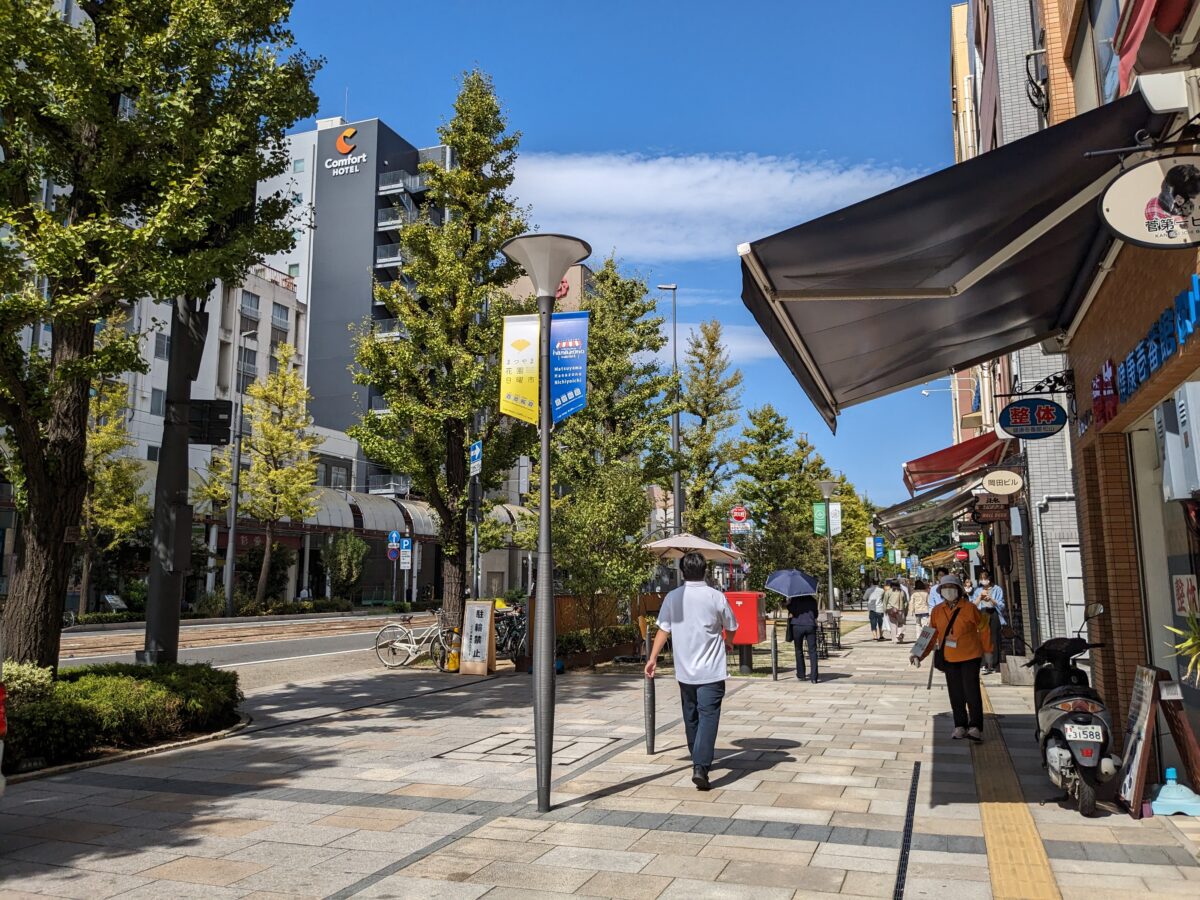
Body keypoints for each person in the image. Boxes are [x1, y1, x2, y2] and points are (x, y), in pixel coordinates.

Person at [645, 551, 738, 791]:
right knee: (708, 716)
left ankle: (697, 757)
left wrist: (652, 658)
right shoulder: (716, 596)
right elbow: (732, 625)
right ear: (705, 570)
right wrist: (729, 641)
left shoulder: (673, 598)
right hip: (712, 671)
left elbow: (663, 630)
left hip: (684, 670)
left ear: (682, 571)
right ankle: (700, 765)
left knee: (691, 715)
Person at [912, 574, 992, 741]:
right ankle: (960, 725)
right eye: (945, 588)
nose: (948, 591)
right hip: (949, 657)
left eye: (952, 588)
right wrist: (918, 653)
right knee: (955, 693)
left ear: (959, 590)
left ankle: (975, 726)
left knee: (972, 692)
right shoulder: (936, 611)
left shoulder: (970, 608)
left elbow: (984, 628)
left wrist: (988, 650)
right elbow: (929, 633)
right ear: (940, 591)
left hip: (970, 655)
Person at [972, 569, 1007, 675]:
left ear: (989, 579)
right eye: (981, 579)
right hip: (983, 613)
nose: (983, 581)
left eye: (985, 578)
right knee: (983, 638)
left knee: (995, 638)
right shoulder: (978, 590)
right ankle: (985, 663)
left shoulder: (997, 589)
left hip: (994, 613)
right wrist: (980, 597)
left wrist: (991, 599)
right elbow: (973, 605)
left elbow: (1001, 605)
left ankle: (996, 664)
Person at [786, 593, 820, 683]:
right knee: (813, 651)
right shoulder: (813, 600)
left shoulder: (794, 599)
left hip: (797, 626)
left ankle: (801, 674)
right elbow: (816, 615)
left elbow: (792, 611)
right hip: (810, 625)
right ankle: (814, 677)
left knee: (798, 650)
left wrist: (788, 604)